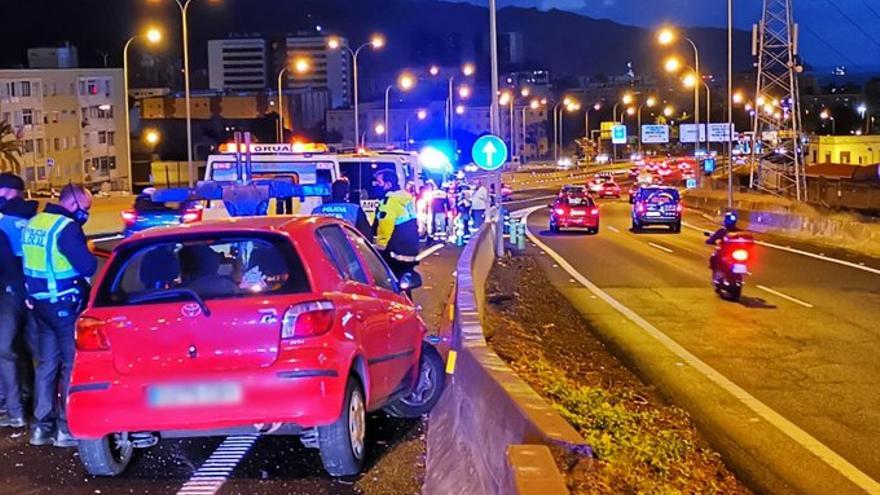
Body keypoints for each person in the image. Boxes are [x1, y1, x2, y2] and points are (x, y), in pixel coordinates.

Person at [23, 184, 96, 447]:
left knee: (46, 366)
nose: (85, 214)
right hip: (64, 305)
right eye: (85, 209)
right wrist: (86, 247)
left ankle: (41, 428)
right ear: (73, 203)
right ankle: (65, 429)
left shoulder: (35, 223)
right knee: (70, 366)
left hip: (40, 304)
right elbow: (87, 266)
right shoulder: (66, 229)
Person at [0, 173, 38, 429]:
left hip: (9, 293)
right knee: (34, 352)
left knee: (5, 351)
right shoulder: (36, 219)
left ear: (9, 192)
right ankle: (34, 402)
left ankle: (13, 409)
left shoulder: (3, 222)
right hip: (37, 292)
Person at [372, 169, 419, 279]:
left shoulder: (390, 201)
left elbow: (386, 225)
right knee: (405, 282)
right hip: (410, 250)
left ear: (388, 184)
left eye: (379, 183)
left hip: (395, 252)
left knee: (391, 283)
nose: (375, 185)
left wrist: (379, 247)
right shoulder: (406, 198)